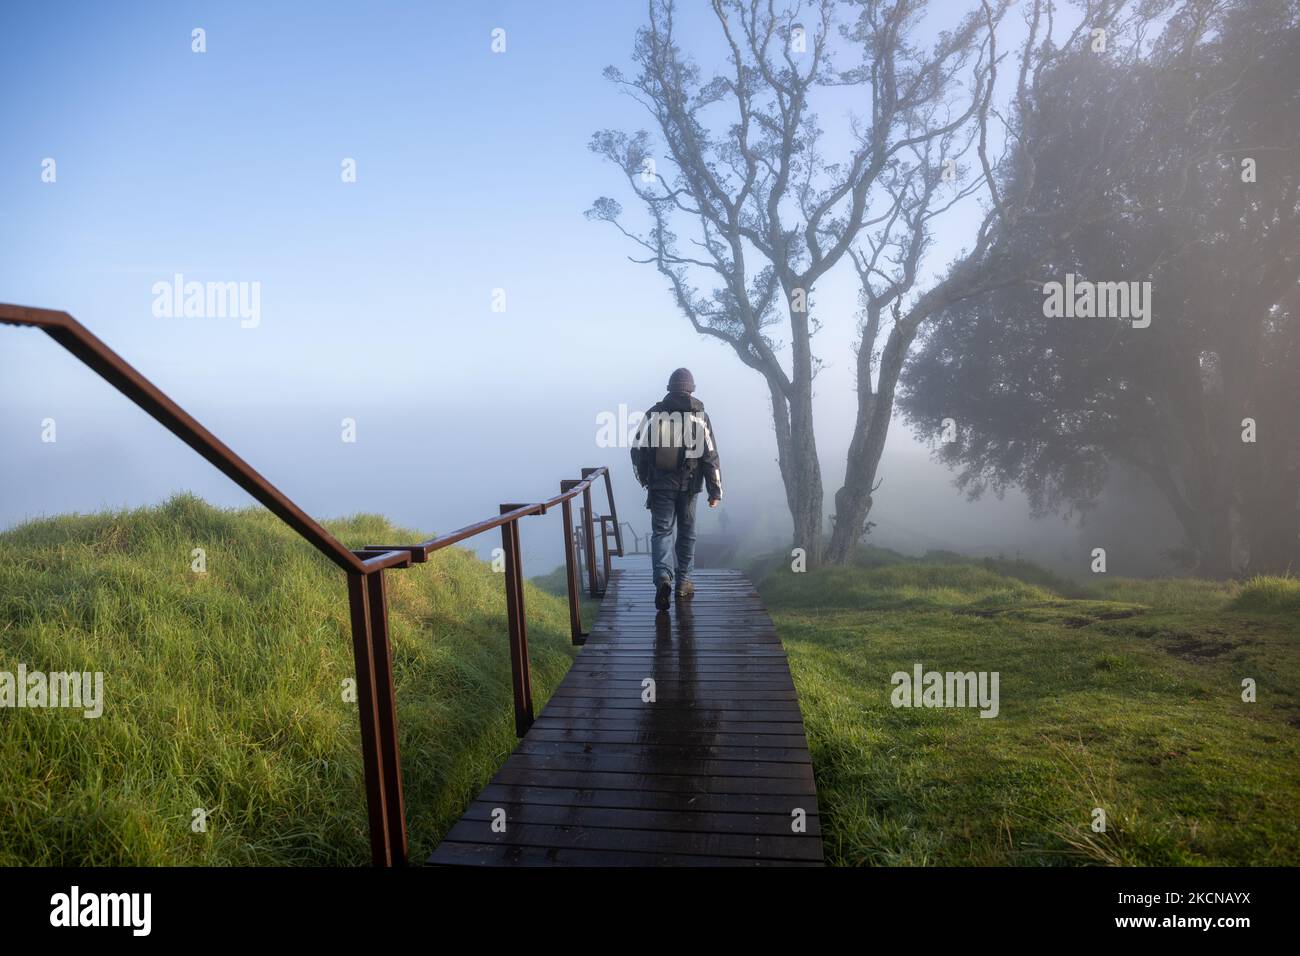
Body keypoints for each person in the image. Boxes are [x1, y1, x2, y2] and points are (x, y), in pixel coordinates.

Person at [630, 368, 723, 611]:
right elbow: (710, 455)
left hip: (660, 485)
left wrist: (645, 478)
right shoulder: (699, 415)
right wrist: (715, 492)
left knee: (662, 532)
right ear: (691, 388)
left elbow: (637, 448)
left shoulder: (654, 413)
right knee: (687, 533)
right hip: (690, 485)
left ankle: (662, 577)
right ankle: (683, 582)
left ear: (669, 387)